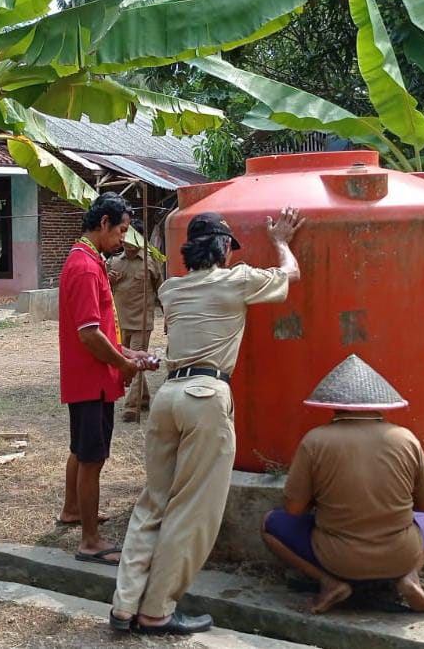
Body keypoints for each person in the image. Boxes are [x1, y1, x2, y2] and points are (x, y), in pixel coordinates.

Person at [110, 207, 305, 635]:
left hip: (167, 397)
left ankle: (124, 607)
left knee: (153, 502)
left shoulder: (171, 290)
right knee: (192, 510)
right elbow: (290, 276)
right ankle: (157, 611)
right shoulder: (236, 281)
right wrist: (281, 242)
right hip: (205, 396)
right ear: (223, 249)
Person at [261, 354, 424, 614]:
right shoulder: (405, 438)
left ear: (333, 405)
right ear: (382, 405)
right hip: (401, 554)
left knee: (269, 524)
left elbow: (293, 509)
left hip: (337, 559)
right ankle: (409, 577)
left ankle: (329, 582)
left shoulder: (315, 440)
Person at [57, 192, 157, 566]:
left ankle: (72, 510)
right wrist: (123, 363)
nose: (123, 239)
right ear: (104, 225)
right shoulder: (84, 267)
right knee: (92, 458)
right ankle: (90, 541)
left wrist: (130, 355)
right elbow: (88, 334)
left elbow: (101, 330)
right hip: (91, 380)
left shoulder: (90, 261)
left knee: (81, 450)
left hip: (90, 376)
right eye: (122, 231)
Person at [107, 222, 163, 423]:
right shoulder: (113, 262)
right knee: (132, 362)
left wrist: (167, 318)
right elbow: (104, 291)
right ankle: (144, 397)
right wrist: (108, 280)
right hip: (120, 322)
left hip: (142, 321)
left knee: (135, 362)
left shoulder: (151, 262)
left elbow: (162, 291)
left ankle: (131, 406)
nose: (129, 244)